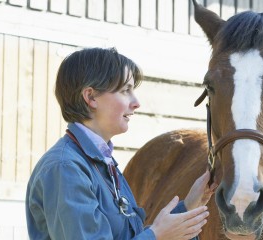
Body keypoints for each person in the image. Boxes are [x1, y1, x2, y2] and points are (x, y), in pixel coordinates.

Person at [26, 47, 217, 240]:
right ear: (91, 97)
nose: (136, 103)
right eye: (126, 91)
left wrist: (189, 206)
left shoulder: (103, 162)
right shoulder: (66, 168)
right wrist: (157, 236)